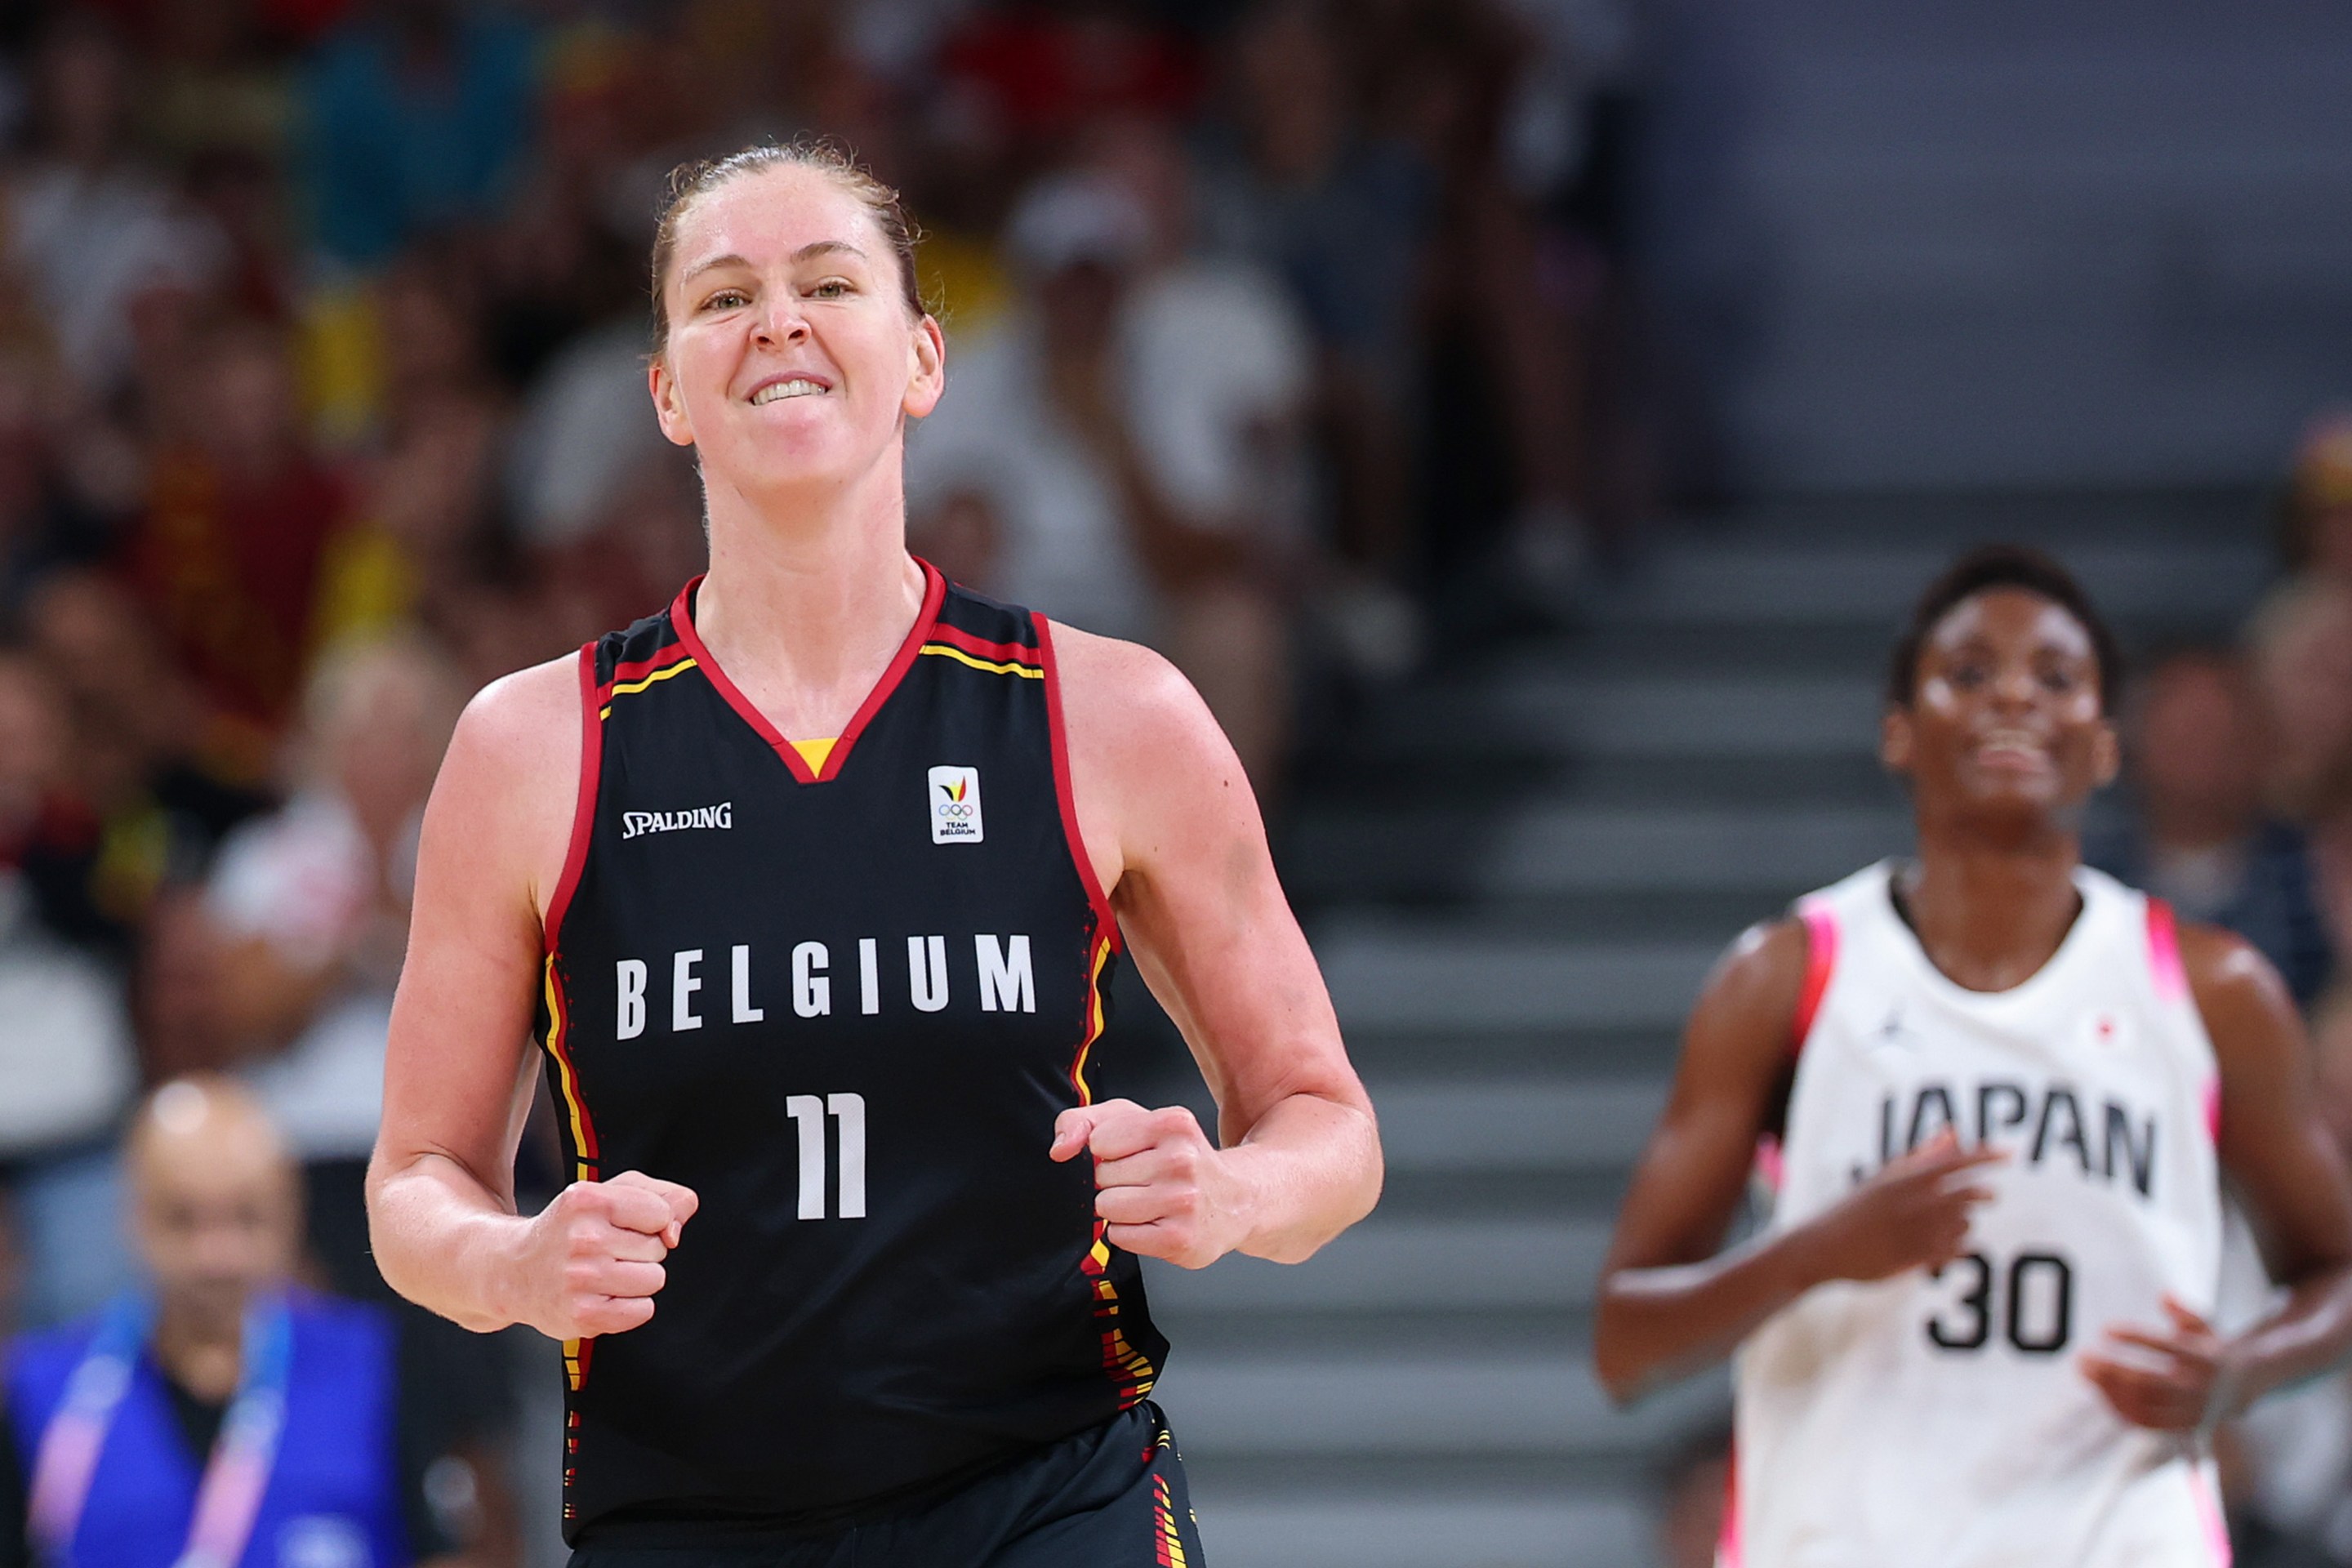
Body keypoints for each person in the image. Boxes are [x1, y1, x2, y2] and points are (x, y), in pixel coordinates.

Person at [367, 141, 1381, 1566]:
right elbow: (416, 1183)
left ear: (921, 359)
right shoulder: (535, 745)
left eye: (827, 282)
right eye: (722, 298)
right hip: (688, 1512)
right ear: (665, 391)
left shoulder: (1113, 711)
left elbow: (1330, 1128)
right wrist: (514, 1260)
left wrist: (1233, 1193)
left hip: (1045, 1487)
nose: (777, 320)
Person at [1593, 546, 2352, 1566]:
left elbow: (2337, 1273)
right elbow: (1626, 1345)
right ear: (1899, 733)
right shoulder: (1785, 979)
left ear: (2104, 745)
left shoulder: (2212, 991)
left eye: (2055, 678)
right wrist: (1816, 1253)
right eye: (1969, 674)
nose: (2013, 701)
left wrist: (2238, 1370)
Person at [1, 1076, 479, 1568]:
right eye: (183, 1218)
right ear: (133, 1216)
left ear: (290, 1214)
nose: (216, 1255)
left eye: (246, 1218)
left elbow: (442, 1553)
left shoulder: (375, 1368)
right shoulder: (34, 1391)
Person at [2089, 647, 2335, 1007]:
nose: (2203, 750)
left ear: (2262, 745)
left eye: (2221, 730)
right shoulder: (2088, 876)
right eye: (2184, 729)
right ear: (2134, 743)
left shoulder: (2317, 874)